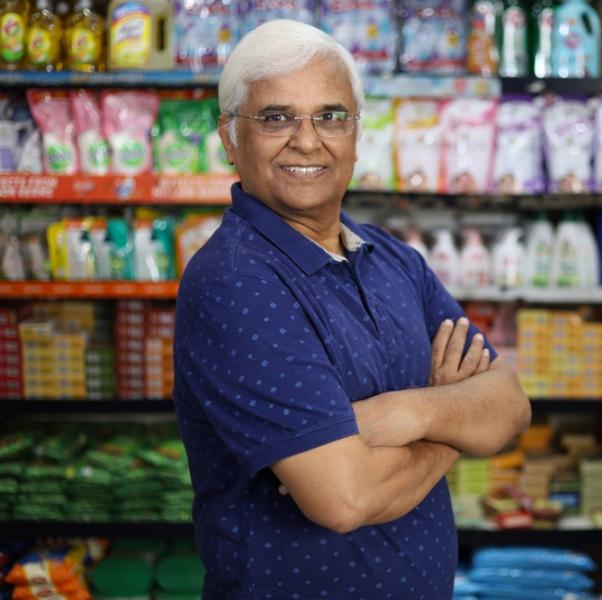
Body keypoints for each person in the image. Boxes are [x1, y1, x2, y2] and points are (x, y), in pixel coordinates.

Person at [172, 19, 531, 600]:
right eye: (276, 118)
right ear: (230, 138)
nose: (307, 140)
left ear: (356, 135)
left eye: (331, 116)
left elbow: (509, 405)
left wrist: (405, 412)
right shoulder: (236, 282)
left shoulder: (392, 258)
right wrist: (450, 427)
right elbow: (345, 498)